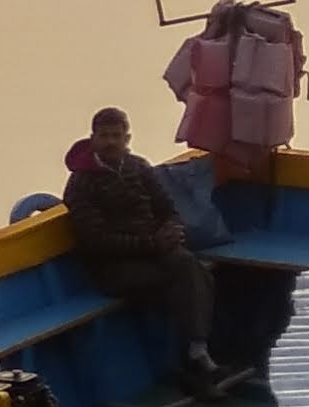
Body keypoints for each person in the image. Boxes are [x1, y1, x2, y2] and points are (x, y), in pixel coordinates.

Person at [62, 107, 224, 391]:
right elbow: (96, 241)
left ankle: (197, 353)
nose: (110, 142)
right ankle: (193, 361)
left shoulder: (138, 167)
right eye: (104, 136)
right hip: (113, 268)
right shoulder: (81, 183)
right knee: (184, 279)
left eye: (116, 136)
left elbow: (167, 208)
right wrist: (152, 244)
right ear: (93, 138)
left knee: (191, 268)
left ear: (127, 138)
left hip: (153, 254)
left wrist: (173, 229)